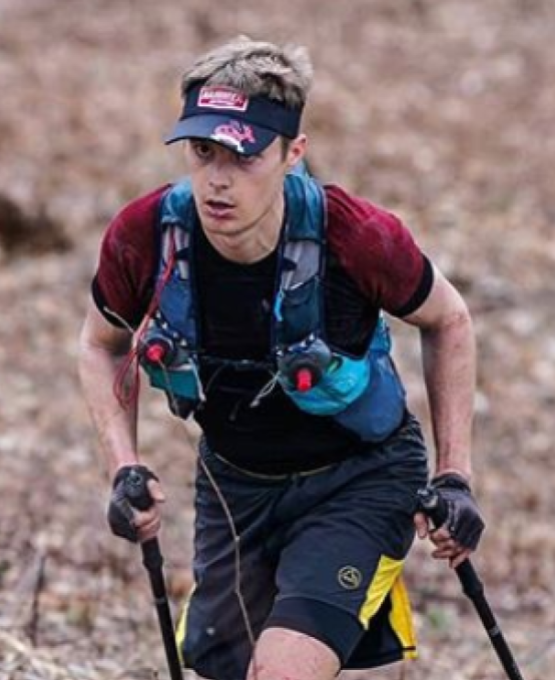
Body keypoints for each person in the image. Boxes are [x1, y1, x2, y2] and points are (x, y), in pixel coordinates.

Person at [78, 36, 485, 680]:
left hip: (360, 478)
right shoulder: (147, 236)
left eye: (244, 156)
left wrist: (454, 476)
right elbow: (100, 345)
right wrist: (123, 467)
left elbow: (450, 320)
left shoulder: (356, 236)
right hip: (235, 485)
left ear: (293, 153)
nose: (218, 179)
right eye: (202, 152)